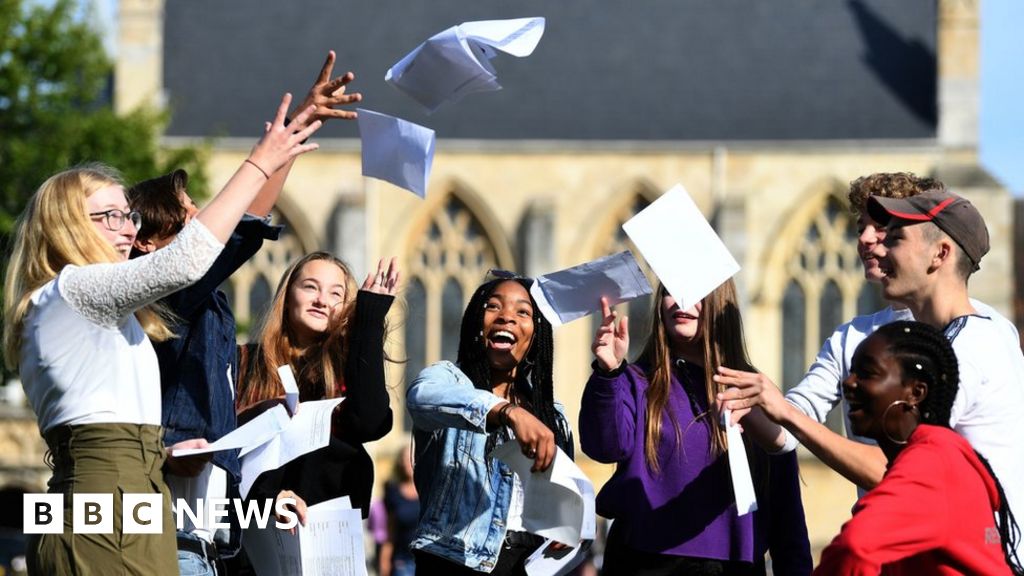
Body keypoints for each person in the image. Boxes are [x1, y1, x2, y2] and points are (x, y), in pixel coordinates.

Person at [1, 96, 322, 575]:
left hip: (130, 501)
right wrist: (262, 160)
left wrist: (165, 452)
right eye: (107, 216)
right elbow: (188, 260)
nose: (126, 229)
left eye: (127, 215)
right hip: (106, 509)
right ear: (64, 226)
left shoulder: (103, 312)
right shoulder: (70, 290)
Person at [125, 51, 361, 575]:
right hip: (170, 535)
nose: (200, 217)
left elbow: (243, 228)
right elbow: (240, 231)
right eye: (187, 213)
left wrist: (261, 507)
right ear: (148, 244)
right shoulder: (169, 296)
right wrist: (278, 147)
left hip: (210, 536)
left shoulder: (204, 299)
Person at [719, 187, 1024, 556]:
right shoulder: (936, 337)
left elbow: (899, 472)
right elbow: (786, 432)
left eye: (893, 238)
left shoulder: (971, 345)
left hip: (971, 559)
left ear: (940, 254)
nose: (876, 246)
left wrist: (783, 410)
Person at [580, 281, 812, 575]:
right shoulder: (636, 380)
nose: (681, 301)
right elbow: (604, 447)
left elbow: (786, 509)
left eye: (696, 291)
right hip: (643, 562)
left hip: (732, 565)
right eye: (670, 291)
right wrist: (608, 373)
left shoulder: (755, 388)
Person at [815, 321, 1024, 575]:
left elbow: (855, 548)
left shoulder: (931, 463)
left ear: (916, 392)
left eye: (867, 373)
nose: (849, 382)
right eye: (852, 371)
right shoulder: (929, 456)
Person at [406, 274, 573, 575]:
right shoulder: (448, 379)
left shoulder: (552, 415)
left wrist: (567, 524)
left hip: (527, 564)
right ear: (475, 323)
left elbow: (561, 498)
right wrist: (505, 411)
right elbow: (421, 399)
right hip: (454, 559)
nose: (507, 316)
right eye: (493, 306)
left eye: (523, 312)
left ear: (535, 336)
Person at [234, 253, 398, 518]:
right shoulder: (243, 362)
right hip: (251, 528)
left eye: (336, 294)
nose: (322, 301)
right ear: (287, 298)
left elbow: (370, 422)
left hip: (326, 531)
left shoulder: (350, 371)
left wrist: (368, 321)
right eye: (310, 287)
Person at [379, 444, 420, 576]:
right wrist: (384, 562)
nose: (409, 462)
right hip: (403, 563)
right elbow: (390, 531)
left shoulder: (428, 490)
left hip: (427, 561)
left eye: (412, 458)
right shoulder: (393, 492)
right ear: (400, 462)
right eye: (405, 458)